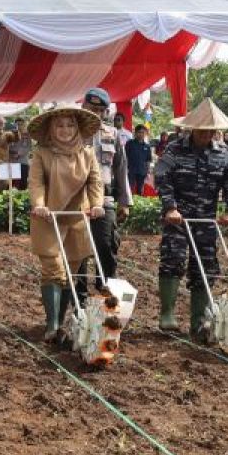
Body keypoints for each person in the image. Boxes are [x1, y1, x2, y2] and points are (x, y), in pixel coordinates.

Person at [152, 100, 228, 335]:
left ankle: (198, 321)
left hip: (206, 219)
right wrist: (170, 207)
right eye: (202, 129)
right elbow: (162, 177)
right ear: (192, 128)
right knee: (173, 259)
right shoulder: (174, 149)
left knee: (205, 265)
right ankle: (167, 315)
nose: (207, 133)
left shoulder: (223, 153)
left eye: (211, 129)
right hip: (178, 218)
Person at [26, 106, 103, 341]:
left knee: (71, 273)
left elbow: (95, 182)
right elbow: (36, 182)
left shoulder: (87, 153)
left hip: (78, 217)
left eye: (70, 125)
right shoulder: (42, 153)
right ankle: (52, 324)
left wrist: (97, 204)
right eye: (59, 125)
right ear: (51, 129)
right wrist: (39, 204)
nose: (65, 130)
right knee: (53, 270)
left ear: (77, 128)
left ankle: (61, 324)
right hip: (48, 217)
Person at [78, 88, 132, 304]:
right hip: (78, 198)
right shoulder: (72, 132)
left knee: (107, 245)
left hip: (105, 199)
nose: (96, 114)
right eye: (92, 109)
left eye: (101, 110)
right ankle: (79, 301)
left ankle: (105, 293)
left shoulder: (113, 134)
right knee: (79, 250)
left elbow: (121, 169)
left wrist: (124, 202)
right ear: (84, 107)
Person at [125, 124, 153, 195]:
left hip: (142, 171)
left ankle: (138, 203)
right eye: (139, 132)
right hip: (131, 170)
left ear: (145, 134)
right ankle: (129, 204)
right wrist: (125, 168)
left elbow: (148, 160)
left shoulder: (147, 146)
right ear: (135, 133)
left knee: (140, 190)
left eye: (143, 132)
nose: (141, 134)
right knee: (129, 189)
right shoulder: (129, 143)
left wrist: (148, 171)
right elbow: (125, 157)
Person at [7, 120, 33, 191]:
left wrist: (18, 154)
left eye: (21, 124)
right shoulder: (10, 134)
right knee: (10, 186)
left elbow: (27, 147)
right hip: (11, 162)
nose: (19, 126)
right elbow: (7, 146)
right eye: (17, 124)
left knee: (22, 186)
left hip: (22, 162)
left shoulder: (27, 135)